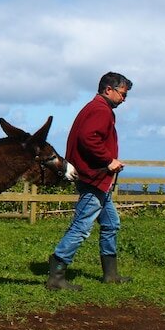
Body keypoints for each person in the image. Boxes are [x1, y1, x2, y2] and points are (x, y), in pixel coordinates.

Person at [46, 72, 133, 291]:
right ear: (108, 90)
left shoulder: (96, 108)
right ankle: (56, 275)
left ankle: (110, 275)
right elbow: (88, 138)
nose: (124, 99)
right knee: (82, 226)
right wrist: (108, 160)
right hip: (94, 178)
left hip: (98, 178)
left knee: (111, 223)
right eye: (122, 94)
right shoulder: (100, 110)